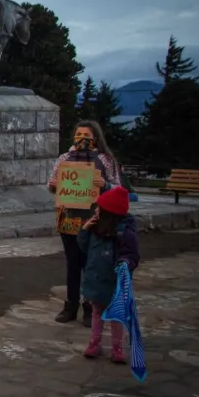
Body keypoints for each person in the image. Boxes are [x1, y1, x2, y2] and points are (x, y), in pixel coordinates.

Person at [48, 120, 120, 325]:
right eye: (78, 135)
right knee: (73, 264)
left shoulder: (105, 160)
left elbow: (118, 188)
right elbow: (51, 183)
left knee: (91, 264)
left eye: (86, 136)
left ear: (95, 138)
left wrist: (105, 184)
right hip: (69, 217)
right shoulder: (64, 158)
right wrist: (53, 184)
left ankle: (90, 307)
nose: (82, 139)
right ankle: (71, 305)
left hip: (94, 219)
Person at [78, 187, 140, 363]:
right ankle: (94, 344)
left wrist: (124, 264)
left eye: (100, 208)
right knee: (97, 312)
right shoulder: (95, 228)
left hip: (115, 281)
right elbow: (83, 248)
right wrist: (84, 229)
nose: (96, 210)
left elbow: (131, 254)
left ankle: (117, 348)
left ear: (109, 213)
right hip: (96, 279)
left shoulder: (124, 232)